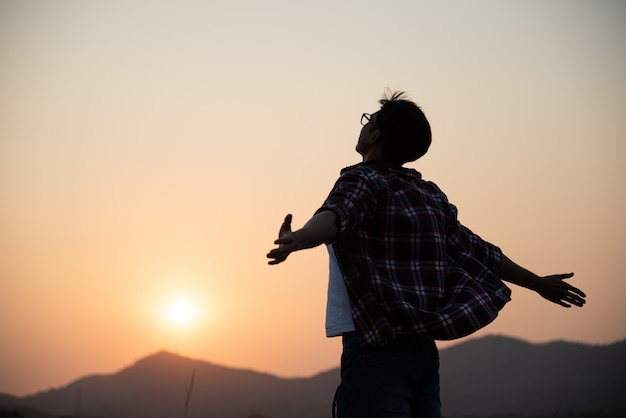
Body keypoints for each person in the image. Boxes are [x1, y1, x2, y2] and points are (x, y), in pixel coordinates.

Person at [266, 91, 586, 418]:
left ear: (375, 134)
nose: (364, 126)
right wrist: (538, 283)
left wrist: (299, 238)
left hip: (376, 346)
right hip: (422, 354)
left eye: (369, 120)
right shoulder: (429, 195)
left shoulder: (362, 178)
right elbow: (479, 251)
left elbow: (335, 217)